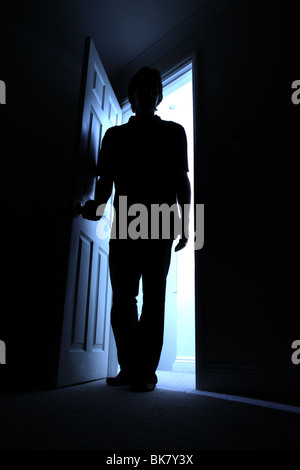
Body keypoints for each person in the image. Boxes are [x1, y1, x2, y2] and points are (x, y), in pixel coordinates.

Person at [82, 67, 191, 392]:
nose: (146, 93)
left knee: (153, 298)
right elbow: (104, 186)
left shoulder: (175, 132)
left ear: (158, 96)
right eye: (140, 88)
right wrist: (94, 208)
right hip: (126, 224)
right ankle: (130, 368)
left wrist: (185, 224)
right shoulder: (114, 137)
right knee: (125, 298)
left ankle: (144, 372)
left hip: (160, 223)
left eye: (152, 88)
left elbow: (181, 181)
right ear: (131, 96)